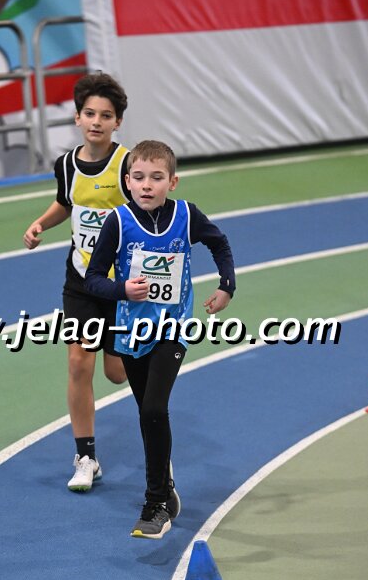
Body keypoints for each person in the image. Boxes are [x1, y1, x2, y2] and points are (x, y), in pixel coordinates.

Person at [85, 140, 236, 538]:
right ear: (127, 182)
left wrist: (226, 285)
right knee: (147, 414)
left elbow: (219, 243)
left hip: (173, 327)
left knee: (154, 407)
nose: (147, 185)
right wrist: (122, 290)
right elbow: (93, 279)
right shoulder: (118, 222)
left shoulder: (187, 215)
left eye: (156, 177)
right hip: (132, 330)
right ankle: (166, 490)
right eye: (138, 177)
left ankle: (155, 505)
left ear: (172, 182)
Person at [23, 72, 130, 492]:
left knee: (117, 373)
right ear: (77, 117)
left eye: (105, 115)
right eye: (89, 113)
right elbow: (67, 203)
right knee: (78, 361)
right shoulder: (67, 165)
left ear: (118, 122)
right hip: (82, 280)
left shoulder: (128, 166)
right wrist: (40, 224)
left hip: (123, 286)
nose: (96, 122)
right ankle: (86, 456)